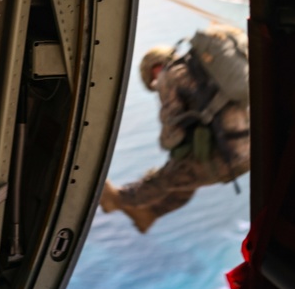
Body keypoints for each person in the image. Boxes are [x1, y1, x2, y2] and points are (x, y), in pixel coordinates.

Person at [100, 25, 251, 233]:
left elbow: (172, 132)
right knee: (184, 180)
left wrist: (166, 143)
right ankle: (149, 214)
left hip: (226, 158)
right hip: (247, 153)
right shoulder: (205, 73)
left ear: (153, 69)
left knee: (168, 174)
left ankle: (118, 199)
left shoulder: (169, 75)